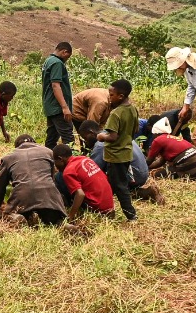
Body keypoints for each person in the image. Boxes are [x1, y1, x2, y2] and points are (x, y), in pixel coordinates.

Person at [0, 135, 67, 226]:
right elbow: (52, 180)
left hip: (23, 196)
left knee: (10, 213)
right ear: (34, 143)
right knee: (55, 222)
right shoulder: (48, 152)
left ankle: (16, 218)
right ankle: (62, 224)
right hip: (48, 197)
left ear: (17, 146)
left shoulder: (9, 157)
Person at [95, 79, 140, 221]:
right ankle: (106, 209)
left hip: (115, 155)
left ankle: (131, 215)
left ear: (120, 96)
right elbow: (136, 130)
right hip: (127, 152)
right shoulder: (133, 109)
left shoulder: (116, 113)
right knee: (113, 183)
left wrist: (101, 136)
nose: (109, 97)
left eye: (111, 94)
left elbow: (112, 136)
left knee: (120, 186)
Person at [53, 143, 115, 219]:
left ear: (60, 159)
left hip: (98, 209)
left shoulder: (68, 171)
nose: (55, 166)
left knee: (58, 178)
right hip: (110, 206)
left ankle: (70, 208)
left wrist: (71, 216)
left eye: (54, 162)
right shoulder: (84, 159)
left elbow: (80, 194)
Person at [41, 41, 75, 149]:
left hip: (50, 106)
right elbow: (56, 85)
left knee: (51, 138)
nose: (66, 60)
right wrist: (65, 107)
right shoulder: (57, 63)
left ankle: (48, 160)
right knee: (68, 139)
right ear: (65, 52)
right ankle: (72, 163)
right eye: (67, 57)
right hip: (58, 107)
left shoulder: (48, 61)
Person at [71, 86, 112, 152]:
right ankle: (86, 153)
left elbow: (101, 122)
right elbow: (91, 124)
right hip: (78, 111)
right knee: (88, 138)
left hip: (88, 110)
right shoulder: (100, 103)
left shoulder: (112, 102)